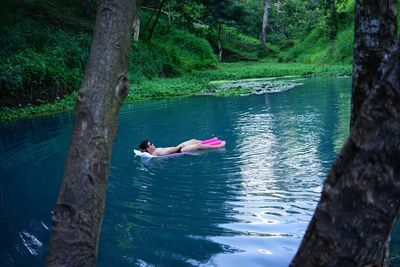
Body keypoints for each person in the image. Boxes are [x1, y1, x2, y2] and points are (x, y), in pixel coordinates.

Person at [138, 138, 226, 156]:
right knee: (198, 146)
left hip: (177, 148)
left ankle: (212, 142)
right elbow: (168, 152)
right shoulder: (156, 153)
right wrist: (179, 146)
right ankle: (218, 146)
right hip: (178, 150)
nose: (153, 144)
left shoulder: (155, 150)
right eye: (150, 145)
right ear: (147, 149)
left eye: (151, 143)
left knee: (193, 140)